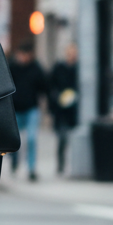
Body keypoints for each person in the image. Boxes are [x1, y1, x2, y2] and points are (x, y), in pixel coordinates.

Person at [9, 40, 48, 180]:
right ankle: (13, 160)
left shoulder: (36, 68)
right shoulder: (12, 67)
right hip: (16, 109)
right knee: (15, 140)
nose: (24, 58)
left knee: (31, 139)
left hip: (31, 108)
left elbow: (44, 86)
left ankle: (31, 169)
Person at [49, 43, 79, 174]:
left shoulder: (79, 69)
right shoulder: (59, 68)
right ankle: (61, 164)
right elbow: (51, 86)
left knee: (74, 139)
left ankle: (74, 165)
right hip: (61, 111)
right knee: (62, 138)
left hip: (75, 111)